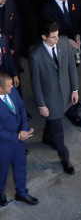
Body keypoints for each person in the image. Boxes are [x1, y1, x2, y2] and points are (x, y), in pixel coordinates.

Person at [29, 20, 81, 175]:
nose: (57, 39)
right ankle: (65, 159)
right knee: (58, 130)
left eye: (57, 36)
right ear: (44, 37)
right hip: (50, 98)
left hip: (65, 91)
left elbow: (71, 66)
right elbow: (36, 83)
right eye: (53, 37)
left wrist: (75, 89)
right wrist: (41, 105)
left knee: (52, 124)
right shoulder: (35, 55)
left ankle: (47, 137)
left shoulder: (64, 42)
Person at [0, 72, 37, 206]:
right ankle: (0, 192)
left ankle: (22, 193)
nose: (12, 88)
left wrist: (23, 129)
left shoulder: (12, 90)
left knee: (21, 166)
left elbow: (21, 108)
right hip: (3, 144)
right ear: (0, 88)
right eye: (9, 87)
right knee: (2, 170)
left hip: (19, 139)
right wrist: (18, 135)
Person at [42, 0, 81, 65]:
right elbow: (48, 31)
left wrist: (78, 34)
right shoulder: (47, 8)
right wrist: (65, 41)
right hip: (60, 48)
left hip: (76, 44)